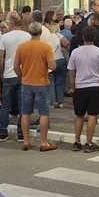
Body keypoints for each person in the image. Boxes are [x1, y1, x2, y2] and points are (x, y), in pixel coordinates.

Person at [15, 22, 57, 151]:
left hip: (26, 83)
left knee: (25, 112)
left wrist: (22, 76)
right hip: (41, 83)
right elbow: (52, 66)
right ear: (40, 33)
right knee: (44, 113)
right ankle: (43, 142)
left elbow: (15, 67)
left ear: (29, 32)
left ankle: (26, 141)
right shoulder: (46, 47)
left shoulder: (22, 47)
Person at [68, 25, 99, 152]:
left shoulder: (75, 52)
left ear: (82, 37)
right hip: (95, 86)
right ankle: (89, 143)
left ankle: (76, 141)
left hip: (80, 87)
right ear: (94, 37)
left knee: (79, 115)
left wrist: (73, 87)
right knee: (92, 115)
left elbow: (71, 72)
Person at [0, 12, 30, 142]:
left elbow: (0, 58)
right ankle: (21, 133)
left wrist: (1, 72)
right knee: (23, 106)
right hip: (23, 74)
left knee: (6, 105)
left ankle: (3, 132)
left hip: (9, 74)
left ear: (11, 24)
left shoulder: (5, 37)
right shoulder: (27, 36)